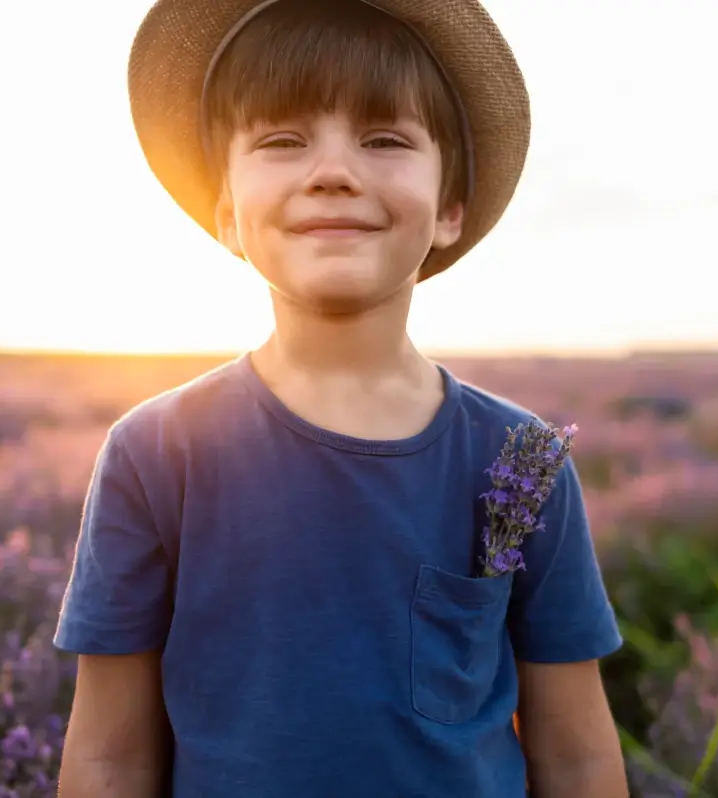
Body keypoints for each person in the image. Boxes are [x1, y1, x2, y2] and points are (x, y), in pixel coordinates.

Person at [52, 0, 628, 795]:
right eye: (282, 141)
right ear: (225, 211)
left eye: (384, 139)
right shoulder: (156, 451)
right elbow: (111, 757)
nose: (333, 171)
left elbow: (576, 754)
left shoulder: (521, 459)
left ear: (450, 209)